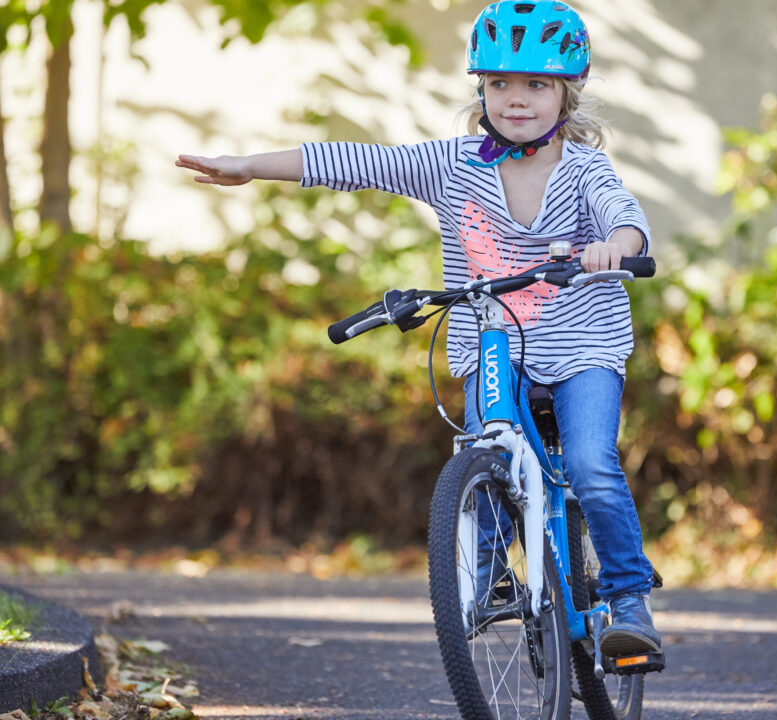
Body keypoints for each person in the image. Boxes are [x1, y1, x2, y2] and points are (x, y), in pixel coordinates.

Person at [176, 0, 660, 656]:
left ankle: (628, 597)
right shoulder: (451, 165)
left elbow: (624, 219)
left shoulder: (584, 170)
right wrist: (250, 165)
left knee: (591, 463)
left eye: (536, 85)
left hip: (581, 346)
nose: (516, 100)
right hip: (493, 341)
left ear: (567, 96)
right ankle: (486, 581)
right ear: (480, 90)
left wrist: (613, 247)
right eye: (499, 85)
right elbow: (355, 162)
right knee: (483, 449)